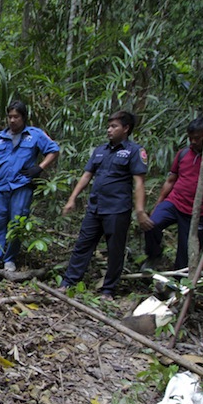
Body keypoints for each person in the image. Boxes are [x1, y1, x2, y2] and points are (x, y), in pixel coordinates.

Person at [60, 110, 154, 298]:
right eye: (109, 126)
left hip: (117, 209)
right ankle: (68, 283)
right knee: (83, 245)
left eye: (114, 126)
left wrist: (140, 210)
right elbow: (87, 176)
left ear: (126, 128)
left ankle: (108, 290)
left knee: (115, 251)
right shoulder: (100, 150)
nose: (109, 130)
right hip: (95, 207)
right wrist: (72, 198)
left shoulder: (134, 151)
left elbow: (139, 183)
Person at [143, 117, 203, 271]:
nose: (193, 142)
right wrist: (158, 204)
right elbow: (171, 180)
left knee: (185, 254)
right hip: (175, 202)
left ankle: (177, 285)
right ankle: (154, 256)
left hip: (199, 211)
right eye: (190, 138)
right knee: (151, 223)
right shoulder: (184, 153)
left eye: (197, 138)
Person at [0, 100, 59, 272]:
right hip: (0, 186)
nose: (12, 120)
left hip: (22, 185)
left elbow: (54, 149)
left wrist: (39, 167)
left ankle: (10, 259)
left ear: (23, 117)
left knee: (17, 222)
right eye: (10, 117)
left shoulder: (35, 134)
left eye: (16, 117)